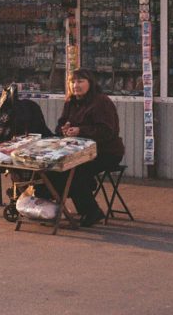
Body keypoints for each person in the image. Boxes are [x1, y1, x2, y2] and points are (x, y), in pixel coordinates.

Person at [54, 68, 125, 227]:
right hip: (78, 151)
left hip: (106, 151)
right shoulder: (70, 102)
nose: (75, 85)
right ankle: (83, 198)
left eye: (80, 81)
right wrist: (63, 129)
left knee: (76, 172)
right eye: (72, 82)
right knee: (60, 169)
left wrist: (81, 130)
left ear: (90, 83)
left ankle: (92, 211)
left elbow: (107, 131)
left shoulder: (101, 102)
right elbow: (59, 125)